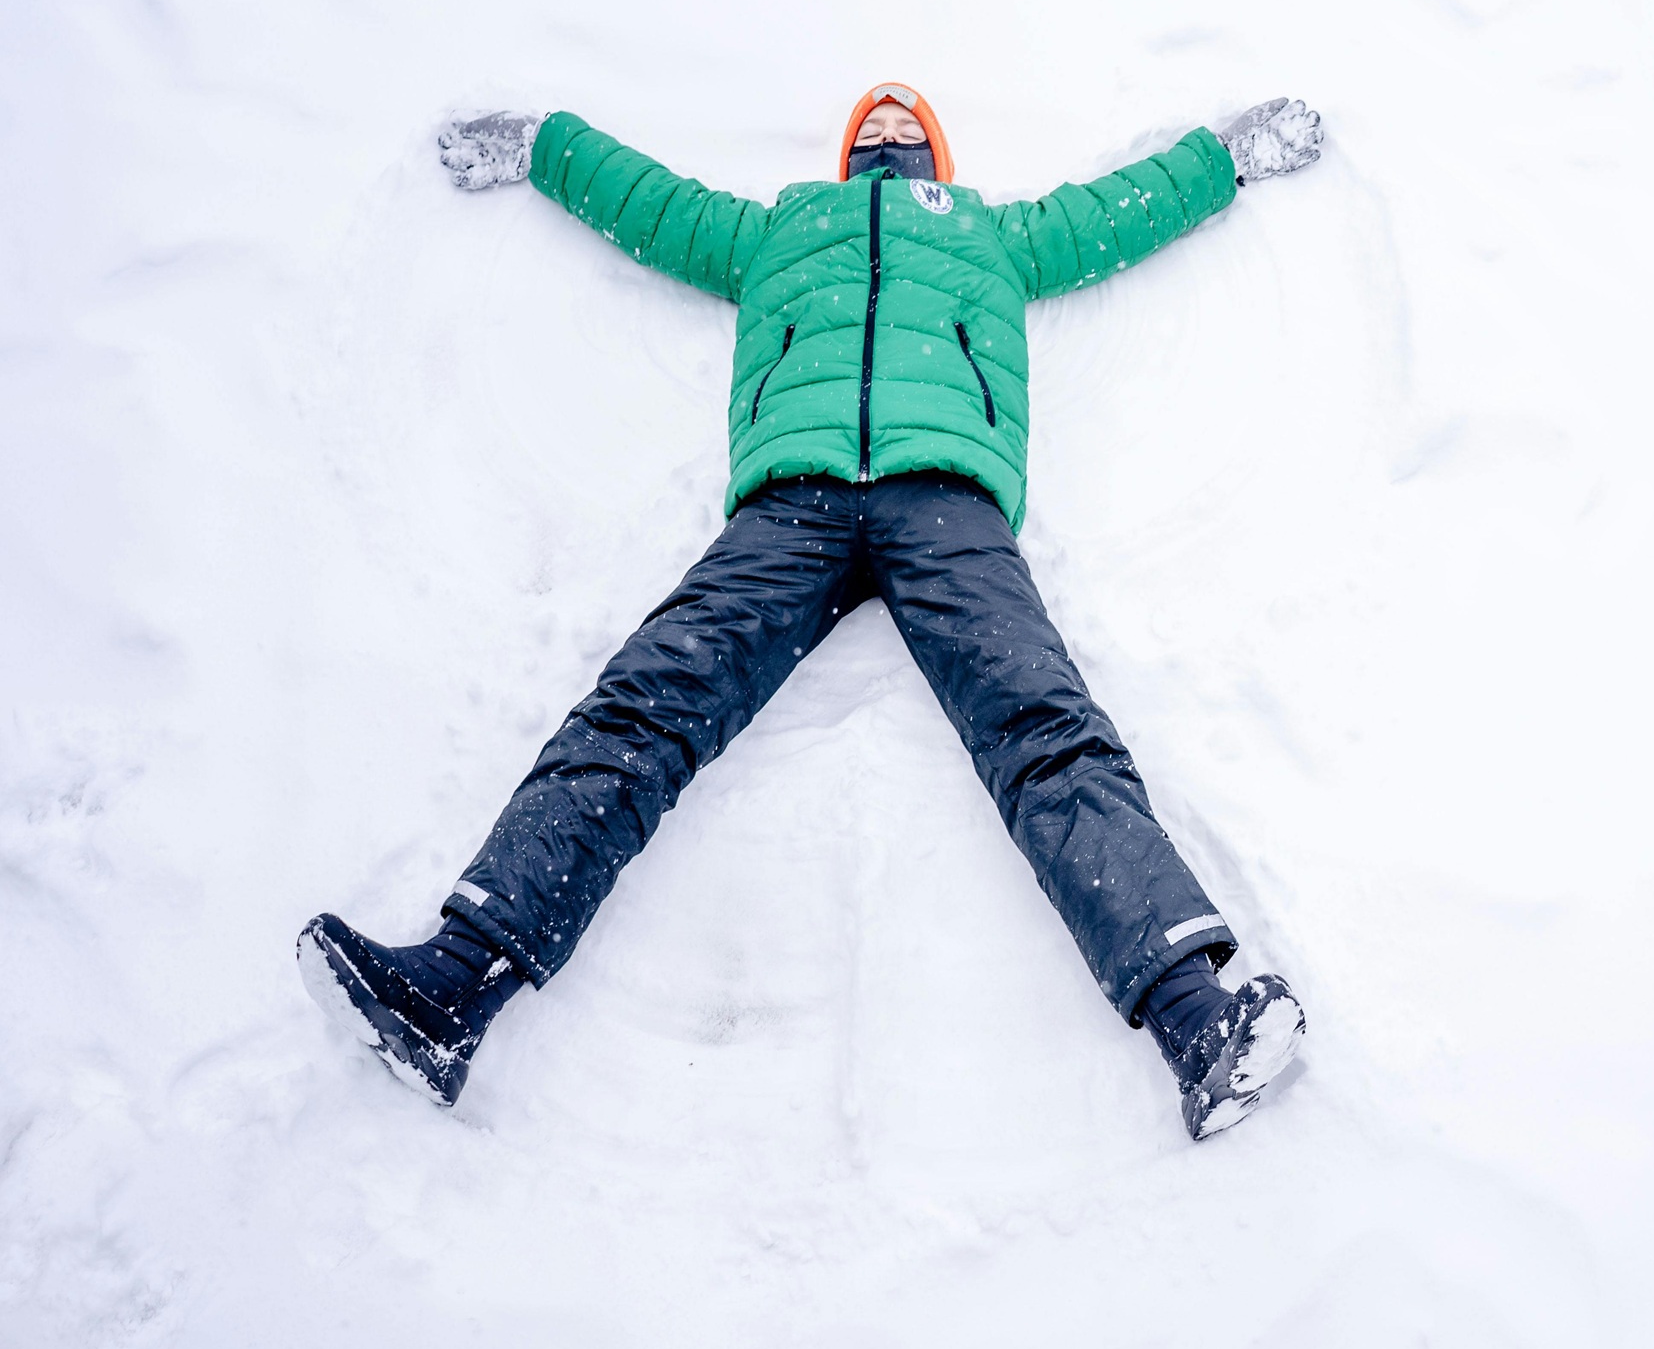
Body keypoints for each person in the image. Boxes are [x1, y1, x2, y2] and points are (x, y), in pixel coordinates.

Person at [298, 85, 1324, 1140]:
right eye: (870, 127)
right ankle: (451, 990)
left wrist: (1223, 158)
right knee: (645, 707)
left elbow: (1121, 207)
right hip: (794, 505)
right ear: (845, 153)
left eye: (906, 126)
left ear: (937, 151)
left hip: (946, 504)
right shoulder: (781, 229)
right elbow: (650, 201)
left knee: (1040, 729)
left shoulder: (989, 233)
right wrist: (544, 145)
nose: (887, 134)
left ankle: (1201, 1030)